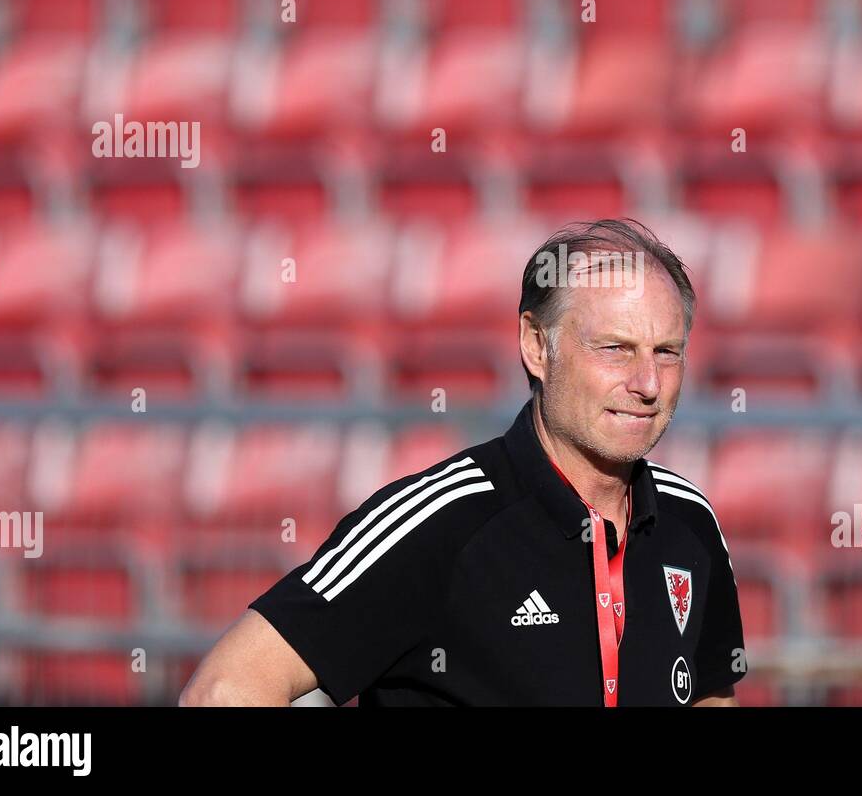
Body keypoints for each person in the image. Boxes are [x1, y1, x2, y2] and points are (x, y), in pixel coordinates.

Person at [180, 219, 745, 706]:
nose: (647, 383)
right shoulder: (438, 522)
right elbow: (225, 688)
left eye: (666, 352)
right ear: (535, 345)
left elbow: (714, 695)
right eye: (615, 348)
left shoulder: (689, 521)